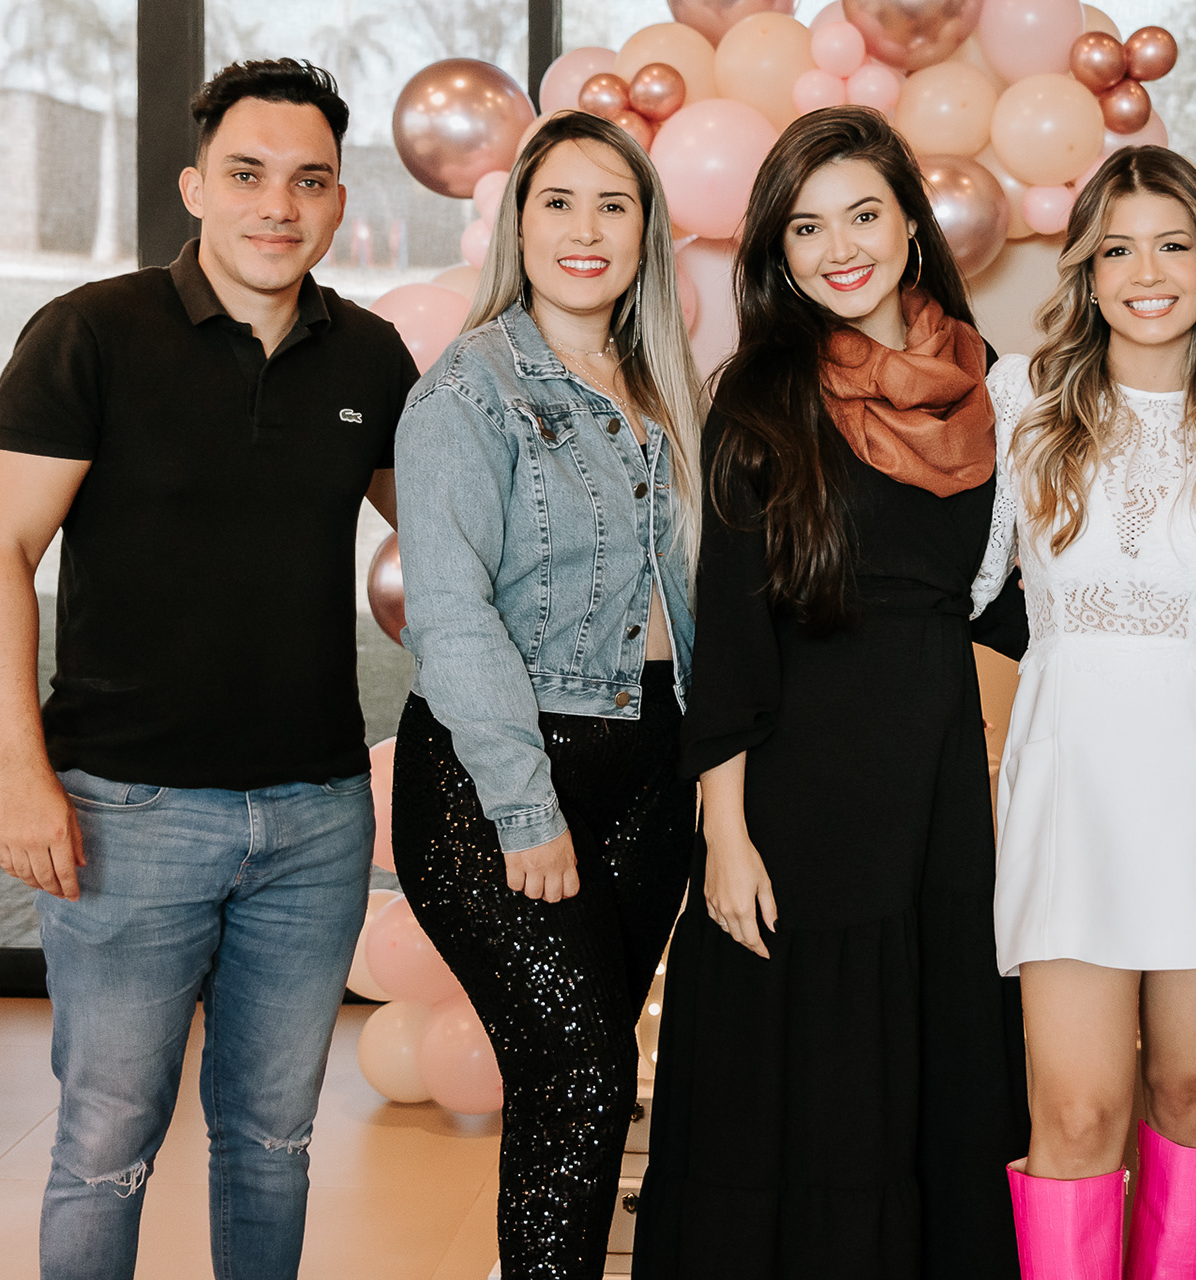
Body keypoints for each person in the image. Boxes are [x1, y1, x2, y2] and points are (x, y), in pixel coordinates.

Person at [0, 60, 415, 1280]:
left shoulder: (370, 358)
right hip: (125, 812)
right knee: (105, 1144)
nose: (278, 204)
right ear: (195, 185)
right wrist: (20, 772)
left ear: (338, 200)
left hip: (316, 819)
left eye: (308, 181)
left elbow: (451, 541)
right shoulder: (90, 335)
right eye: (248, 174)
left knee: (273, 1143)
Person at [633, 106, 1031, 1279]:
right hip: (797, 801)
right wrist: (725, 835)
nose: (839, 247)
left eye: (863, 214)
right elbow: (730, 635)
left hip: (939, 792)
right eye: (807, 227)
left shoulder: (997, 392)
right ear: (778, 249)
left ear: (911, 225)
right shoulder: (759, 395)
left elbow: (1024, 600)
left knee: (932, 1084)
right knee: (798, 1096)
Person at [972, 145, 1196, 1280]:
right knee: (1075, 1110)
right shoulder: (1021, 401)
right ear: (1087, 268)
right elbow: (961, 586)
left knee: (1193, 1087)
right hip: (1070, 784)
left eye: (1175, 245)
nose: (1147, 273)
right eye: (1119, 248)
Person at [390, 111, 702, 1279]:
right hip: (504, 781)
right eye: (557, 201)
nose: (585, 229)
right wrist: (526, 807)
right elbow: (450, 610)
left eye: (613, 204)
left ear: (645, 231)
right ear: (518, 224)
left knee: (586, 1082)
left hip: (650, 773)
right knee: (580, 1073)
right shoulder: (471, 388)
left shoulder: (667, 386)